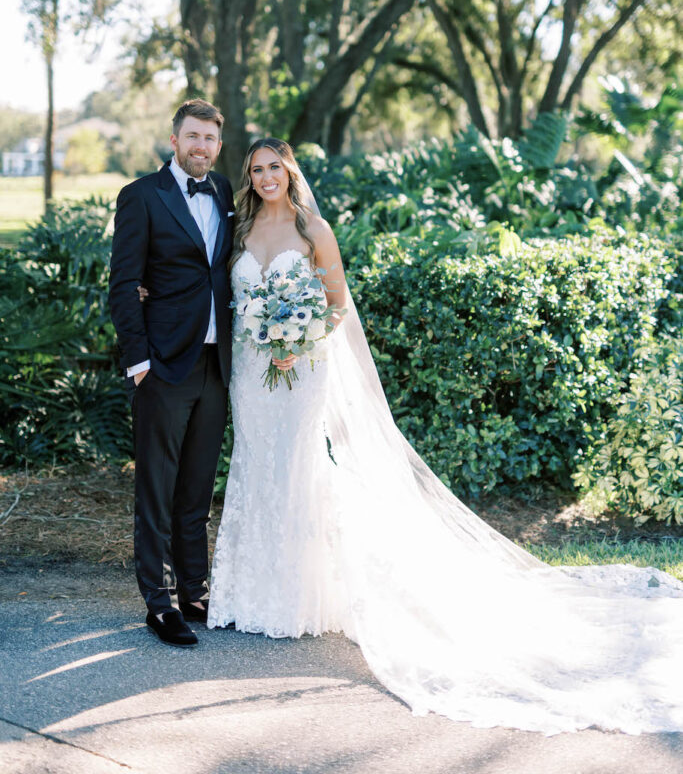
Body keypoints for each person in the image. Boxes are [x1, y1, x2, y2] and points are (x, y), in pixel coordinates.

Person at [206, 135, 683, 735]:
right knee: (253, 464)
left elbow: (336, 304)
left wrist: (296, 341)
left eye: (275, 167)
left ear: (290, 171)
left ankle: (297, 600)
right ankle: (249, 596)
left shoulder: (313, 231)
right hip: (252, 375)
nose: (266, 176)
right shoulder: (240, 231)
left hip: (302, 373)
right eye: (257, 169)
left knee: (299, 467)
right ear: (248, 178)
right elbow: (227, 297)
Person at [109, 99, 234, 648]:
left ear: (218, 144)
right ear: (175, 139)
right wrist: (140, 364)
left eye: (209, 138)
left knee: (197, 490)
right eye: (192, 136)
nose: (201, 146)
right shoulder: (141, 196)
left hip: (216, 364)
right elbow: (123, 285)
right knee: (156, 488)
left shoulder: (228, 193)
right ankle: (159, 604)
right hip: (162, 366)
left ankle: (194, 590)